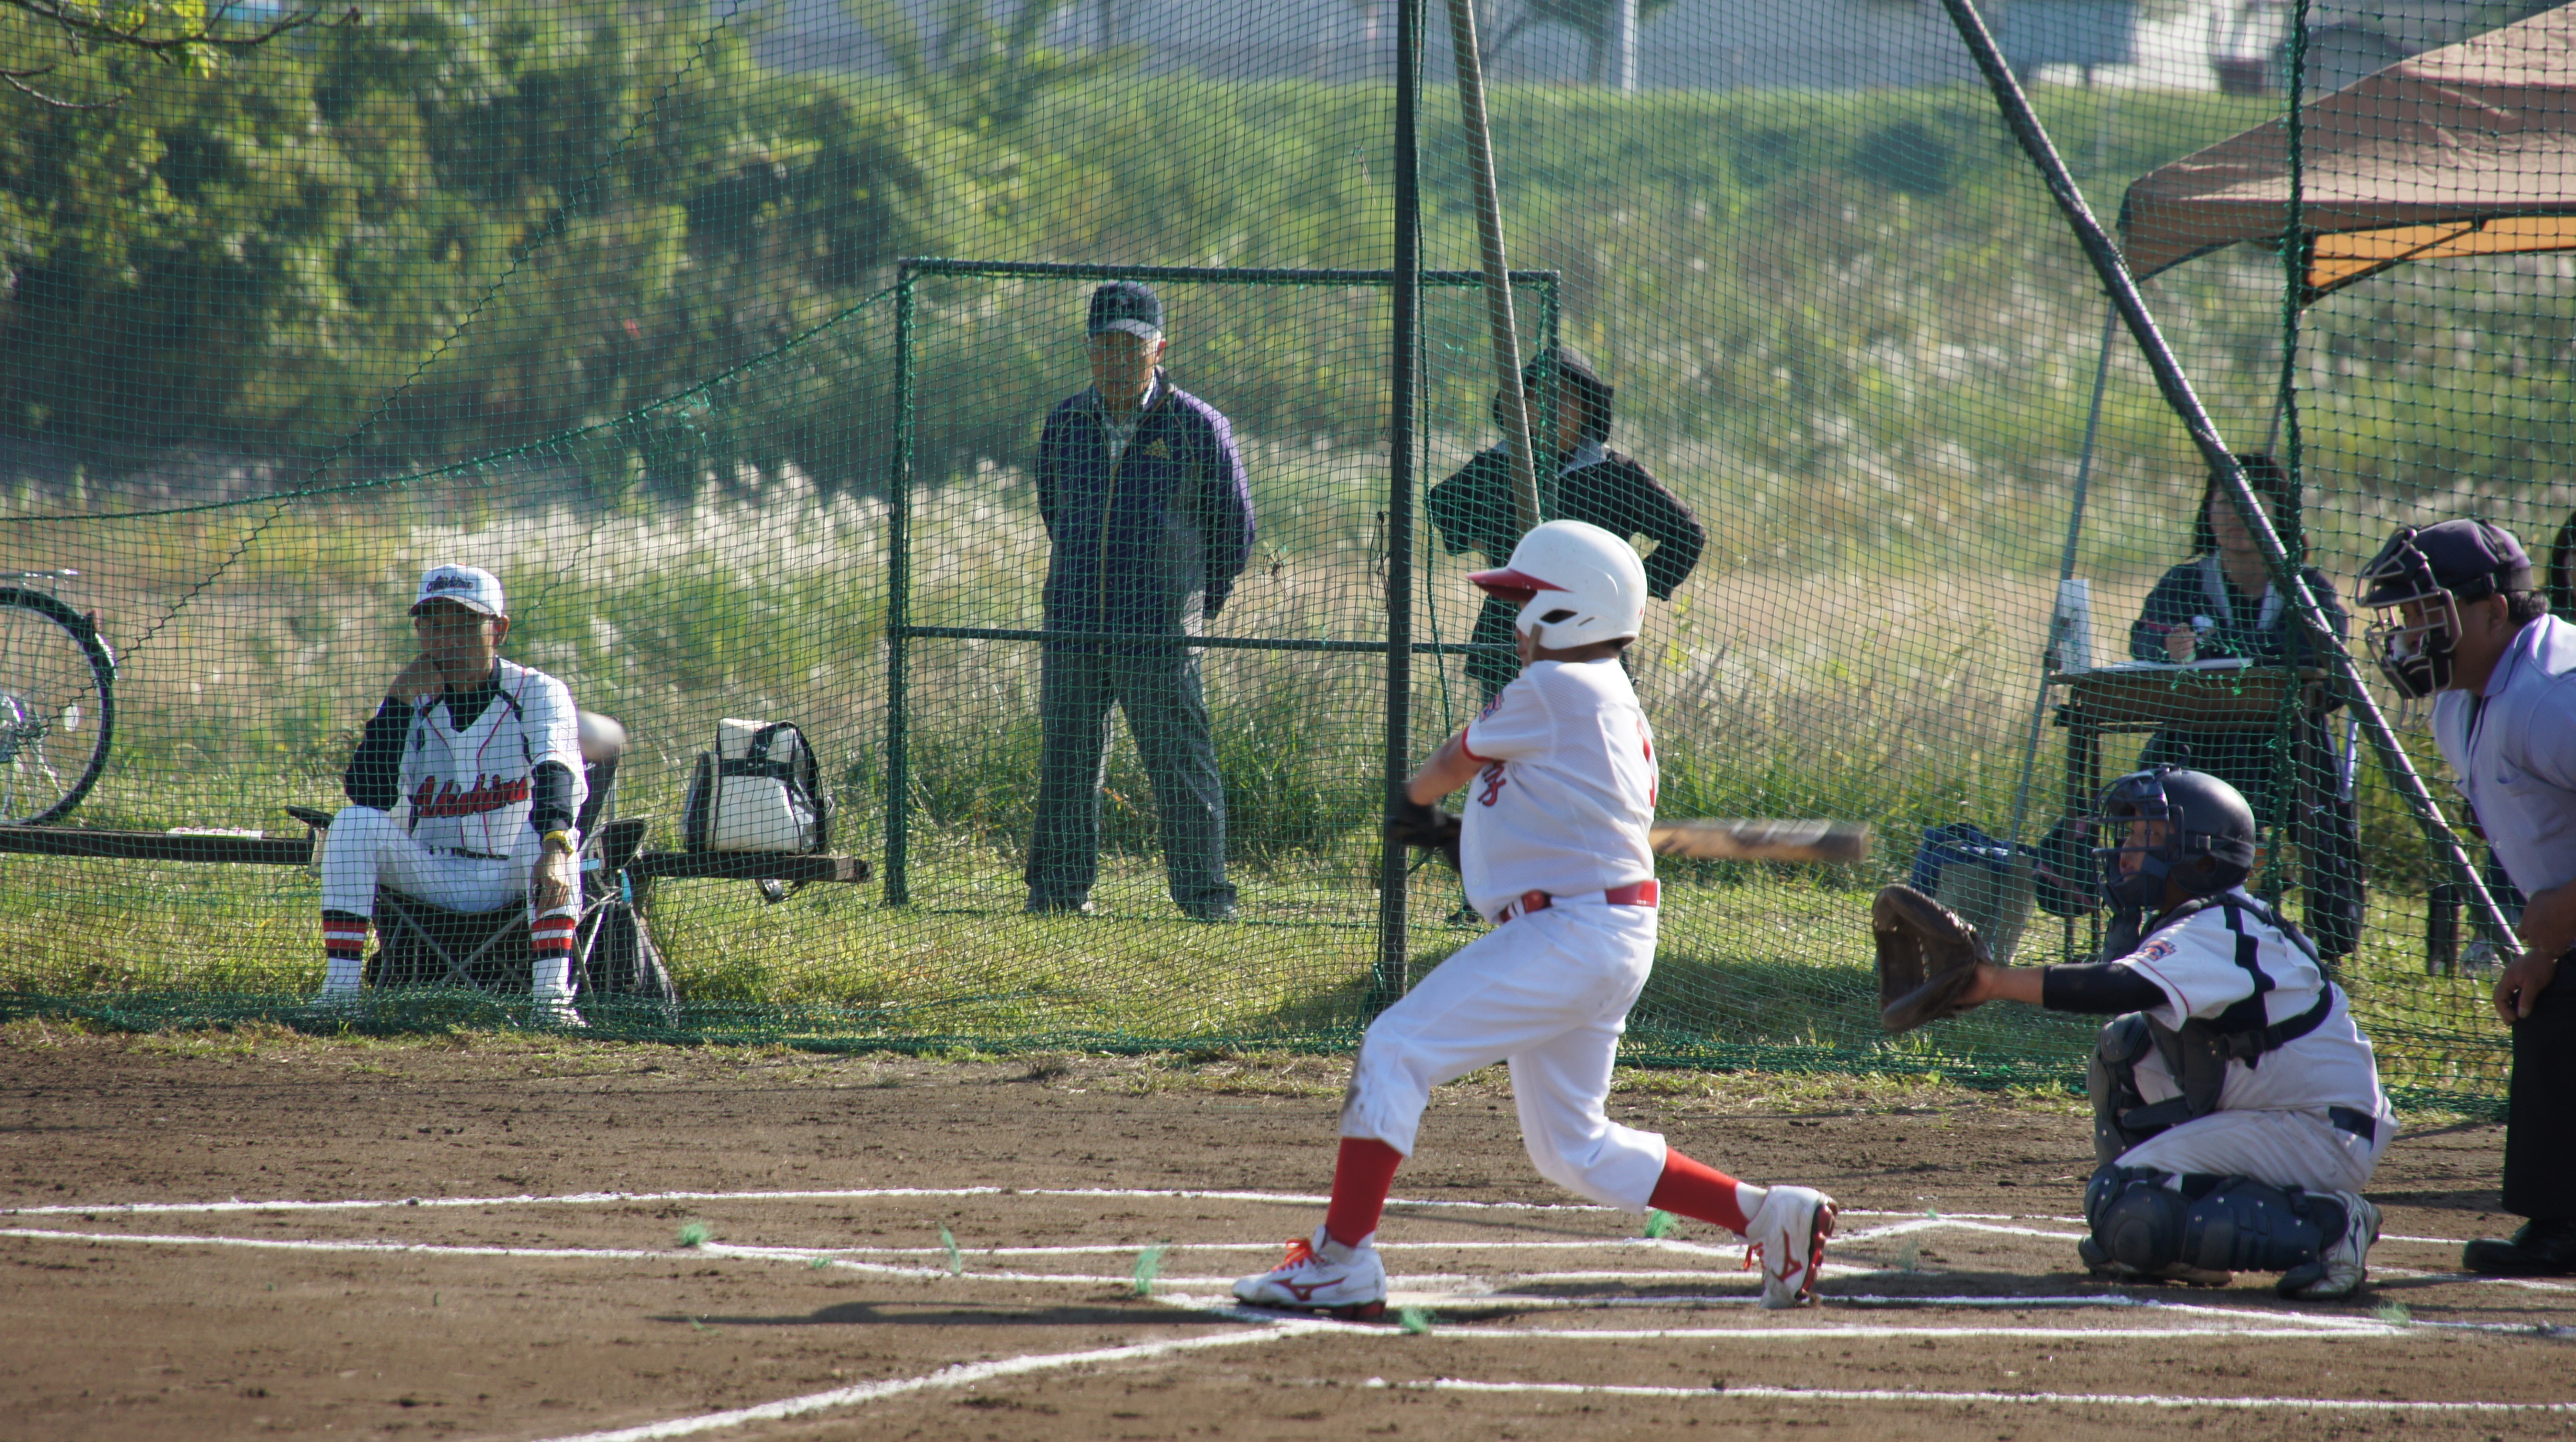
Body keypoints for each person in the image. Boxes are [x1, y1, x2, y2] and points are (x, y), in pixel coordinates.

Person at [1231, 521, 1837, 1318]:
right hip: (1594, 930)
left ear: (1570, 610)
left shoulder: (1558, 685)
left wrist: (1414, 801)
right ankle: (1767, 1214)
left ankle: (1339, 1261)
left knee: (1395, 1048)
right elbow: (1542, 821)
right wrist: (1451, 840)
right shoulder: (1601, 695)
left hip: (1573, 933)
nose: (1513, 619)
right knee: (1572, 1148)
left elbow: (1455, 759)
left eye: (1524, 599)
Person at [1957, 766, 2392, 1299]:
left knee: (2127, 1204)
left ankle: (2332, 1225)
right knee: (2126, 1051)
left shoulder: (2216, 928)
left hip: (2318, 1135)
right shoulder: (2210, 918)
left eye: (2149, 835)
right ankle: (2179, 1244)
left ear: (2202, 858)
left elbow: (2119, 987)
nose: (2127, 851)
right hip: (2282, 1110)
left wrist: (1992, 981)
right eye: (2130, 835)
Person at [2359, 519, 2576, 1275]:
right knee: (2548, 1008)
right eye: (2404, 617)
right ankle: (2562, 1223)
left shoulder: (2552, 695)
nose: (2407, 636)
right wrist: (2549, 948)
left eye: (2427, 614)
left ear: (2492, 611)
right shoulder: (2461, 703)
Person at [1025, 281, 1255, 922]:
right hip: (1073, 623)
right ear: (1088, 351)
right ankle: (1057, 893)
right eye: (1104, 346)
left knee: (1181, 764)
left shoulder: (1198, 426)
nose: (1117, 359)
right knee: (1067, 761)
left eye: (1131, 346)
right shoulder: (1065, 423)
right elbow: (1054, 510)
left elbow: (1234, 531)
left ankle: (1206, 899)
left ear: (1159, 350)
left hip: (1159, 632)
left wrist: (1195, 606)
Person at [317, 565, 589, 1023]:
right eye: (433, 625)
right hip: (431, 874)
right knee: (352, 823)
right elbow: (369, 794)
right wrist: (397, 702)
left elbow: (556, 770)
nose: (447, 640)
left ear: (499, 629)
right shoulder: (410, 699)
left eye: (465, 625)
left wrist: (555, 848)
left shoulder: (537, 691)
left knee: (551, 838)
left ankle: (551, 1002)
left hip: (511, 872)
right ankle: (338, 996)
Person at [2124, 454, 2361, 955]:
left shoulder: (2308, 591)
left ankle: (2331, 938)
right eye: (2223, 502)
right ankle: (2140, 920)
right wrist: (2167, 648)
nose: (2233, 515)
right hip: (2196, 743)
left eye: (2251, 503)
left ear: (2279, 515)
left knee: (2324, 807)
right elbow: (2144, 638)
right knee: (2145, 790)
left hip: (2288, 751)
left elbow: (2328, 665)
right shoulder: (2183, 584)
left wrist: (2220, 645)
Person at [1427, 348, 1703, 700]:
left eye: (1564, 398)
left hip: (1591, 641)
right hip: (1507, 638)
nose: (1548, 408)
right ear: (1520, 405)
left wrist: (1627, 588)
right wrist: (1486, 544)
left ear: (1588, 408)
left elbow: (1687, 533)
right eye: (1535, 396)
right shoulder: (1494, 465)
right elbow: (1442, 503)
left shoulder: (1616, 475)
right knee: (1509, 734)